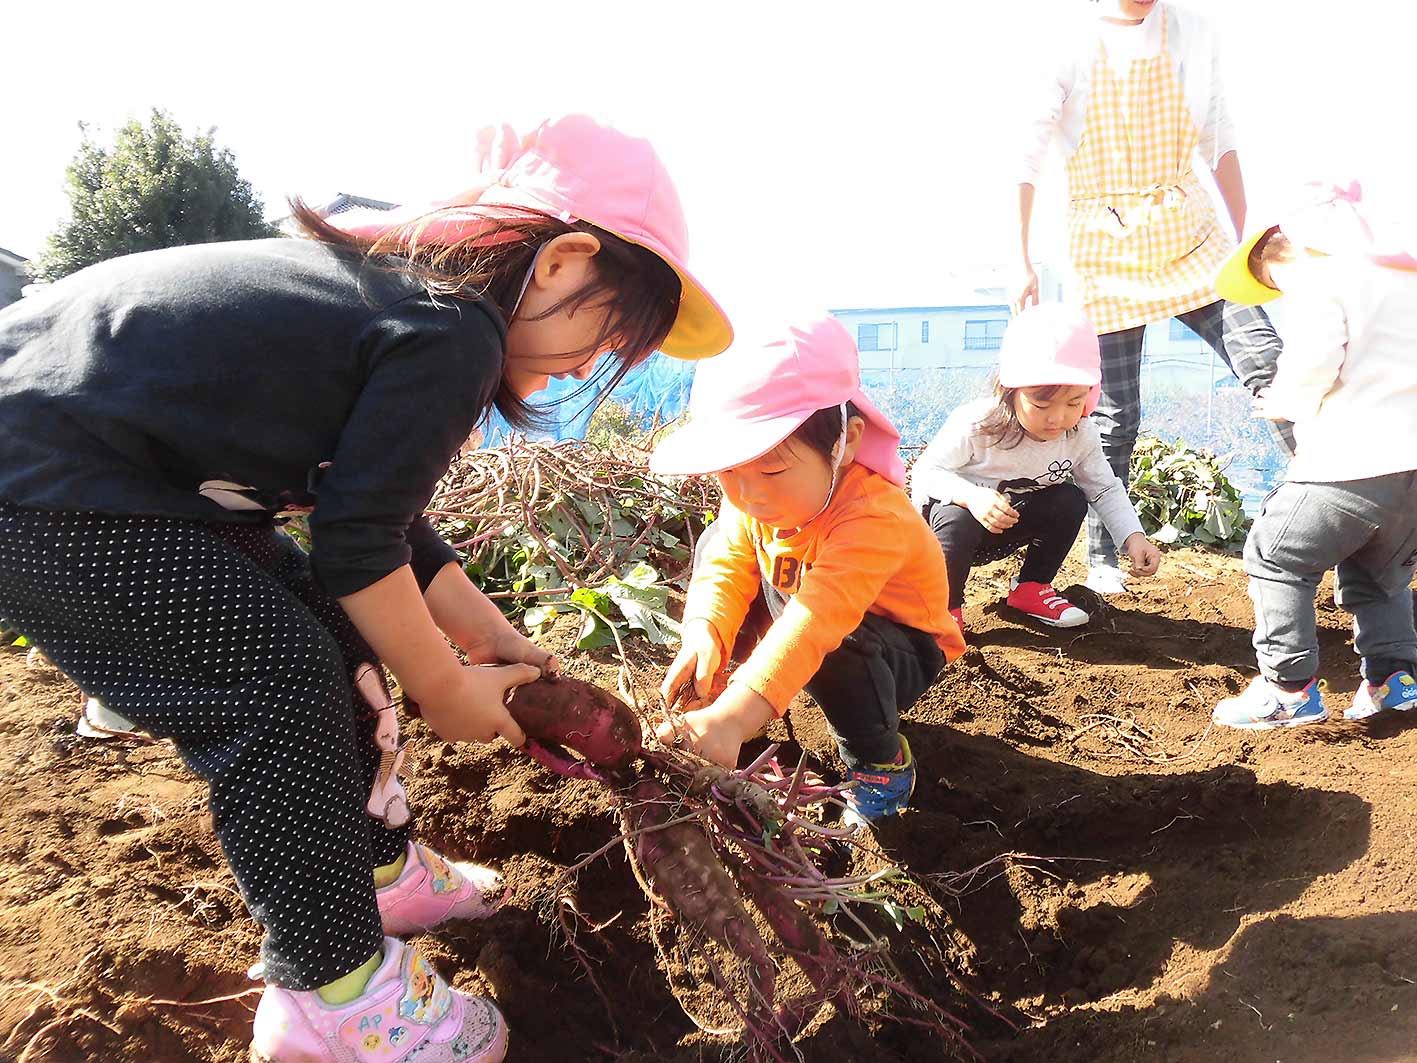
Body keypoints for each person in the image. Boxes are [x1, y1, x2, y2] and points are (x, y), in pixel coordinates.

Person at [0, 114, 732, 1063]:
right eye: (610, 331)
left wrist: (491, 638)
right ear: (562, 260)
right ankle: (334, 995)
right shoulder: (453, 327)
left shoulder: (409, 308)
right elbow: (357, 547)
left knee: (332, 647)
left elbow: (381, 519)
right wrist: (444, 688)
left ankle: (377, 870)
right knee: (277, 684)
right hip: (46, 485)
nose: (592, 364)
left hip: (135, 487)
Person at [1016, 0, 1292, 596]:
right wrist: (1021, 260)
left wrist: (1245, 246)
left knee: (1274, 367)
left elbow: (1218, 135)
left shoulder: (1192, 30)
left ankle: (1335, 506)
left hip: (1191, 234)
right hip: (1104, 246)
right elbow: (1026, 155)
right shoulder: (1064, 44)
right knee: (1114, 414)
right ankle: (1105, 556)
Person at [648, 316, 965, 826]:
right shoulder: (754, 502)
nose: (749, 493)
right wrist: (704, 630)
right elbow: (727, 564)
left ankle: (882, 766)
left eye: (772, 469)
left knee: (837, 642)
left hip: (901, 651)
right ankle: (732, 691)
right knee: (717, 543)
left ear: (846, 443)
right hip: (813, 616)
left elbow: (817, 621)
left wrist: (731, 721)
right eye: (730, 471)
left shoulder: (874, 516)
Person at [1210, 182, 1417, 728]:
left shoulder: (1320, 276)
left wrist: (1283, 402)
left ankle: (1288, 689)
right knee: (1380, 576)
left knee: (1276, 554)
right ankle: (1394, 681)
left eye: (1270, 279)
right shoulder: (1404, 276)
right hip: (1413, 472)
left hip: (1351, 462)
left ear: (1282, 248)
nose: (1278, 290)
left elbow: (1316, 354)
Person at [911, 304, 1161, 633]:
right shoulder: (978, 424)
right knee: (956, 515)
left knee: (1070, 498)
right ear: (1010, 392)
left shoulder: (1080, 434)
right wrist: (972, 497)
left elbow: (1104, 488)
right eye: (1041, 404)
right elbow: (927, 473)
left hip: (1009, 526)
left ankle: (1031, 588)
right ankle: (943, 612)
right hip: (944, 538)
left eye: (1073, 402)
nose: (1057, 418)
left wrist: (1133, 537)